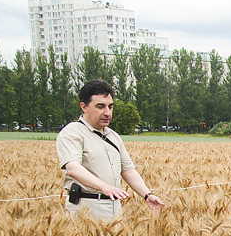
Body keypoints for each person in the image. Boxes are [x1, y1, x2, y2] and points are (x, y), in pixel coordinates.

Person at [56, 79, 164, 221]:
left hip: (114, 207)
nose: (107, 112)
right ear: (84, 107)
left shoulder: (113, 136)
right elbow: (73, 168)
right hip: (85, 207)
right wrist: (104, 187)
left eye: (110, 107)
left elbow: (128, 171)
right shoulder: (72, 132)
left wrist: (147, 195)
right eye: (100, 106)